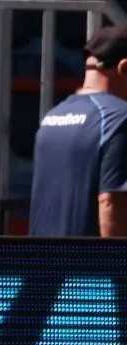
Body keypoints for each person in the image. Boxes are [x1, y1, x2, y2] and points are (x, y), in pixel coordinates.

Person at [29, 26, 127, 238]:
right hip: (89, 258)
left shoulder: (52, 117)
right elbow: (110, 203)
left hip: (40, 256)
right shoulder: (120, 117)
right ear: (124, 68)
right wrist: (117, 257)